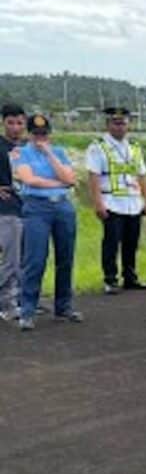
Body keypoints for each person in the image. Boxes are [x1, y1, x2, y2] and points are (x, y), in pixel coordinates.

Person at [12, 114, 80, 331]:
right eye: (36, 134)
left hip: (62, 206)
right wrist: (56, 182)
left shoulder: (58, 152)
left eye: (44, 134)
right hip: (36, 207)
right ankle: (27, 310)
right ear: (30, 135)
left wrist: (50, 154)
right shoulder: (21, 153)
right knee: (35, 259)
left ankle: (64, 307)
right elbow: (29, 179)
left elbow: (70, 179)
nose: (40, 138)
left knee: (65, 257)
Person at [86, 107, 146, 295]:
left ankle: (130, 277)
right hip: (111, 201)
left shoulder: (134, 147)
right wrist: (97, 203)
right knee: (111, 242)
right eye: (115, 123)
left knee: (131, 242)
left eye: (123, 123)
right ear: (108, 125)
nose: (119, 127)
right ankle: (110, 279)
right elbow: (93, 176)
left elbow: (142, 175)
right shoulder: (98, 146)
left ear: (128, 125)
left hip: (133, 201)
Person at [0, 104, 26, 322]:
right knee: (11, 259)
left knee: (29, 258)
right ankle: (6, 303)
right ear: (3, 122)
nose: (15, 128)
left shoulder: (29, 147)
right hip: (7, 209)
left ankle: (23, 299)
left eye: (19, 122)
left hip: (29, 207)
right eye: (11, 122)